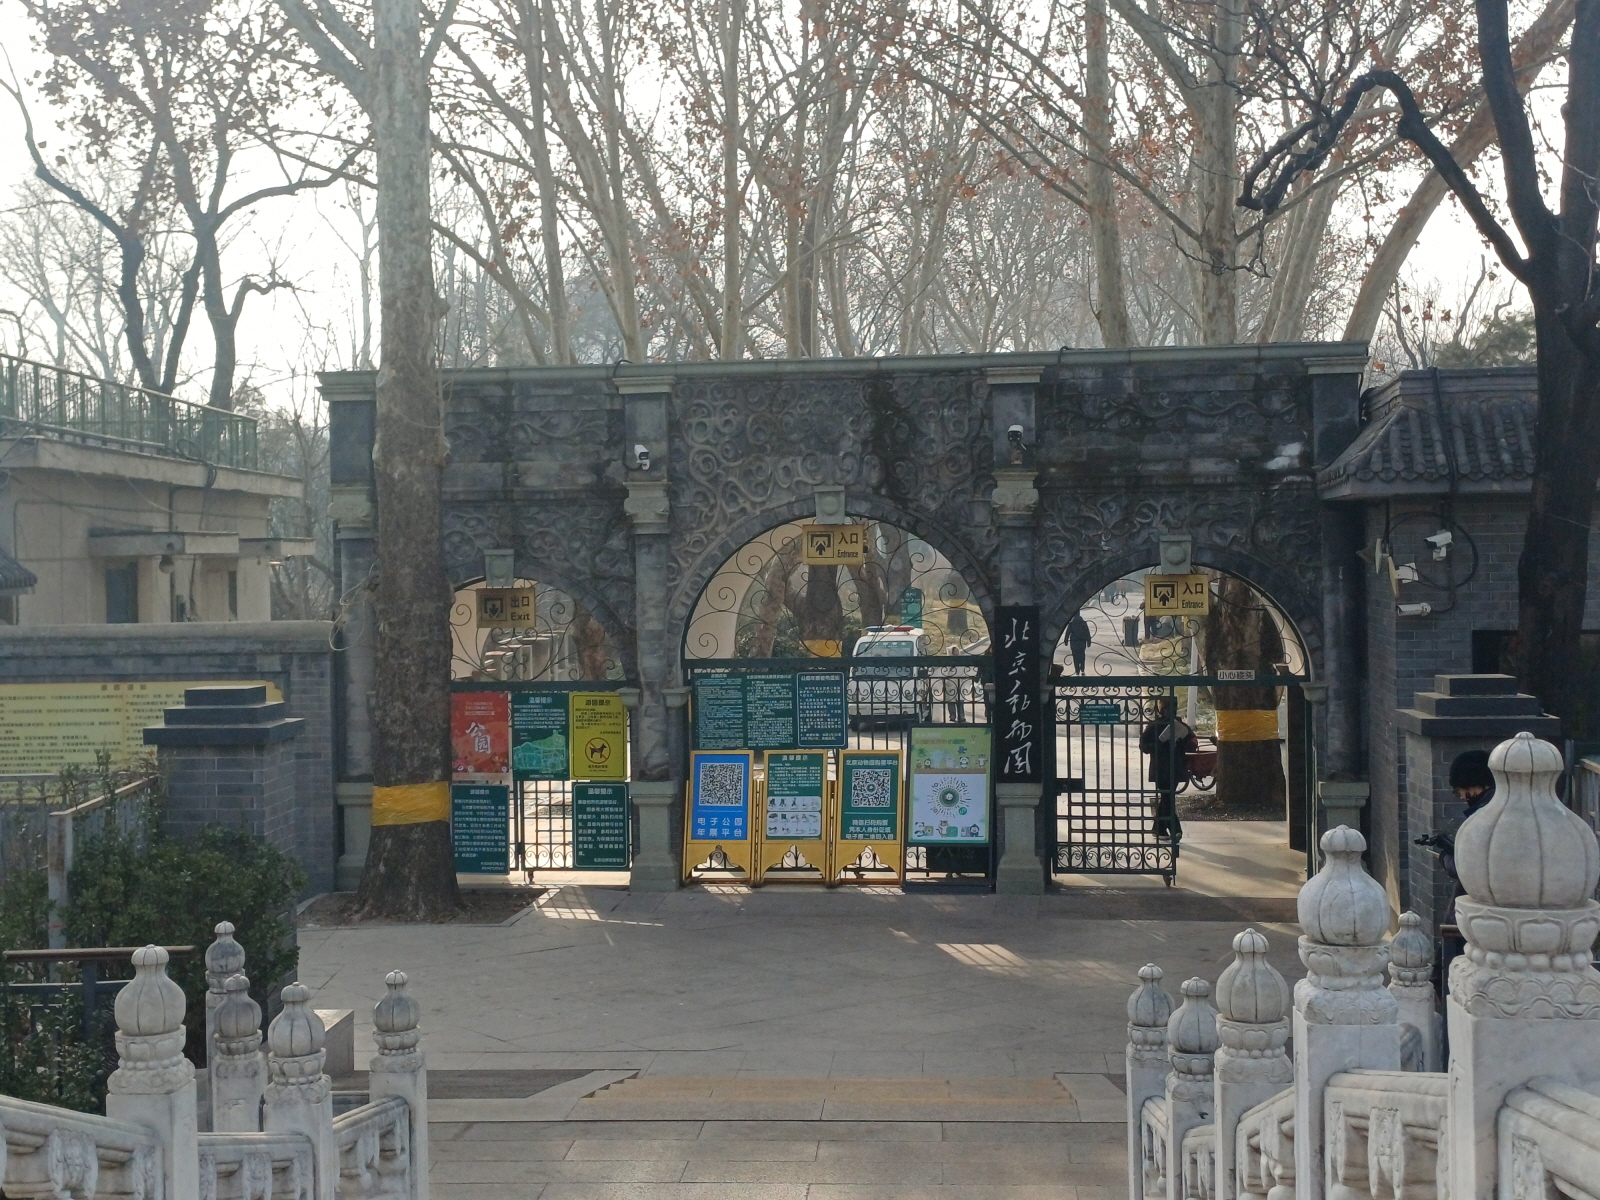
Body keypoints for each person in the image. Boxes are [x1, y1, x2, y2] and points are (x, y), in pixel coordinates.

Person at [1414, 749, 1496, 923]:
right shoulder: (1497, 807)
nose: (1461, 797)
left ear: (1474, 784)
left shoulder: (1483, 816)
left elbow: (1464, 868)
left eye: (1459, 790)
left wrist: (1444, 857)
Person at [1140, 697, 1198, 842]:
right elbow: (1144, 746)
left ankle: (1158, 828)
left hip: (1174, 767)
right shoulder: (1154, 726)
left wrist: (1181, 742)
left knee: (1167, 798)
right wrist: (1160, 744)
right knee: (1167, 798)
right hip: (1161, 768)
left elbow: (1192, 744)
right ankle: (1175, 829)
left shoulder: (1181, 726)